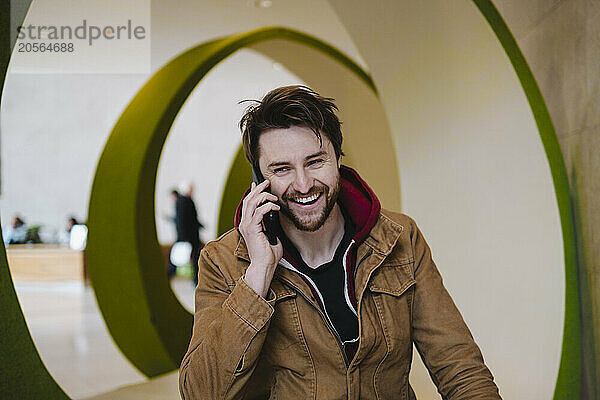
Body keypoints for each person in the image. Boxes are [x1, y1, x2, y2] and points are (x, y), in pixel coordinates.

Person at [179, 86, 501, 399]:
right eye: (282, 169)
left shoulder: (400, 238)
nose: (303, 184)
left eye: (315, 161)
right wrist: (259, 273)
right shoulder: (222, 262)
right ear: (259, 182)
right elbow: (200, 393)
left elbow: (460, 369)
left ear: (337, 158)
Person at [170, 184, 204, 284]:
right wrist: (184, 238)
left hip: (190, 237)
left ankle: (196, 281)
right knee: (182, 258)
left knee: (192, 258)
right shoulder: (183, 202)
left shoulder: (186, 201)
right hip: (188, 237)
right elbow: (183, 221)